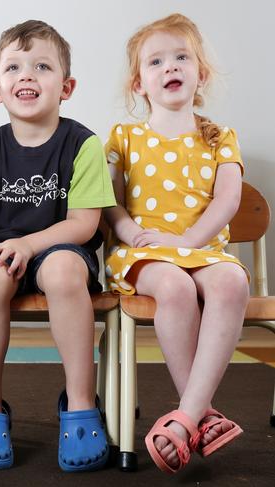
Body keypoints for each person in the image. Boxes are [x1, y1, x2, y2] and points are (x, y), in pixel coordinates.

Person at [0, 20, 115, 471]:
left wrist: (29, 243)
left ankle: (81, 403)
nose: (26, 75)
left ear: (67, 86)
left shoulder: (83, 144)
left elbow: (83, 224)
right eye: (14, 68)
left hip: (61, 248)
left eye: (42, 66)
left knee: (62, 272)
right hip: (5, 250)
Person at [104, 13, 248, 474]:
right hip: (145, 250)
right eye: (157, 61)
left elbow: (227, 202)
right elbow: (109, 201)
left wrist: (187, 241)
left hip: (201, 247)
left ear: (200, 73)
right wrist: (131, 234)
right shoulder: (125, 137)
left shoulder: (220, 137)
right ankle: (202, 415)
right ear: (139, 84)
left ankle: (186, 419)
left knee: (230, 283)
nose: (171, 67)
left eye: (182, 57)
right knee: (175, 288)